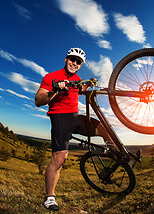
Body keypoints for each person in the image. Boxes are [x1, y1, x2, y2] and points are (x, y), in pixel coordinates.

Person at [35, 47, 114, 211]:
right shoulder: (51, 77)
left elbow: (79, 89)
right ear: (66, 59)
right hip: (60, 118)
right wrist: (56, 89)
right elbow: (38, 100)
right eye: (72, 59)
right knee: (59, 160)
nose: (75, 63)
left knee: (104, 127)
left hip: (75, 117)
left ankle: (114, 155)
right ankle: (50, 198)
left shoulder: (77, 78)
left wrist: (89, 84)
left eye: (79, 62)